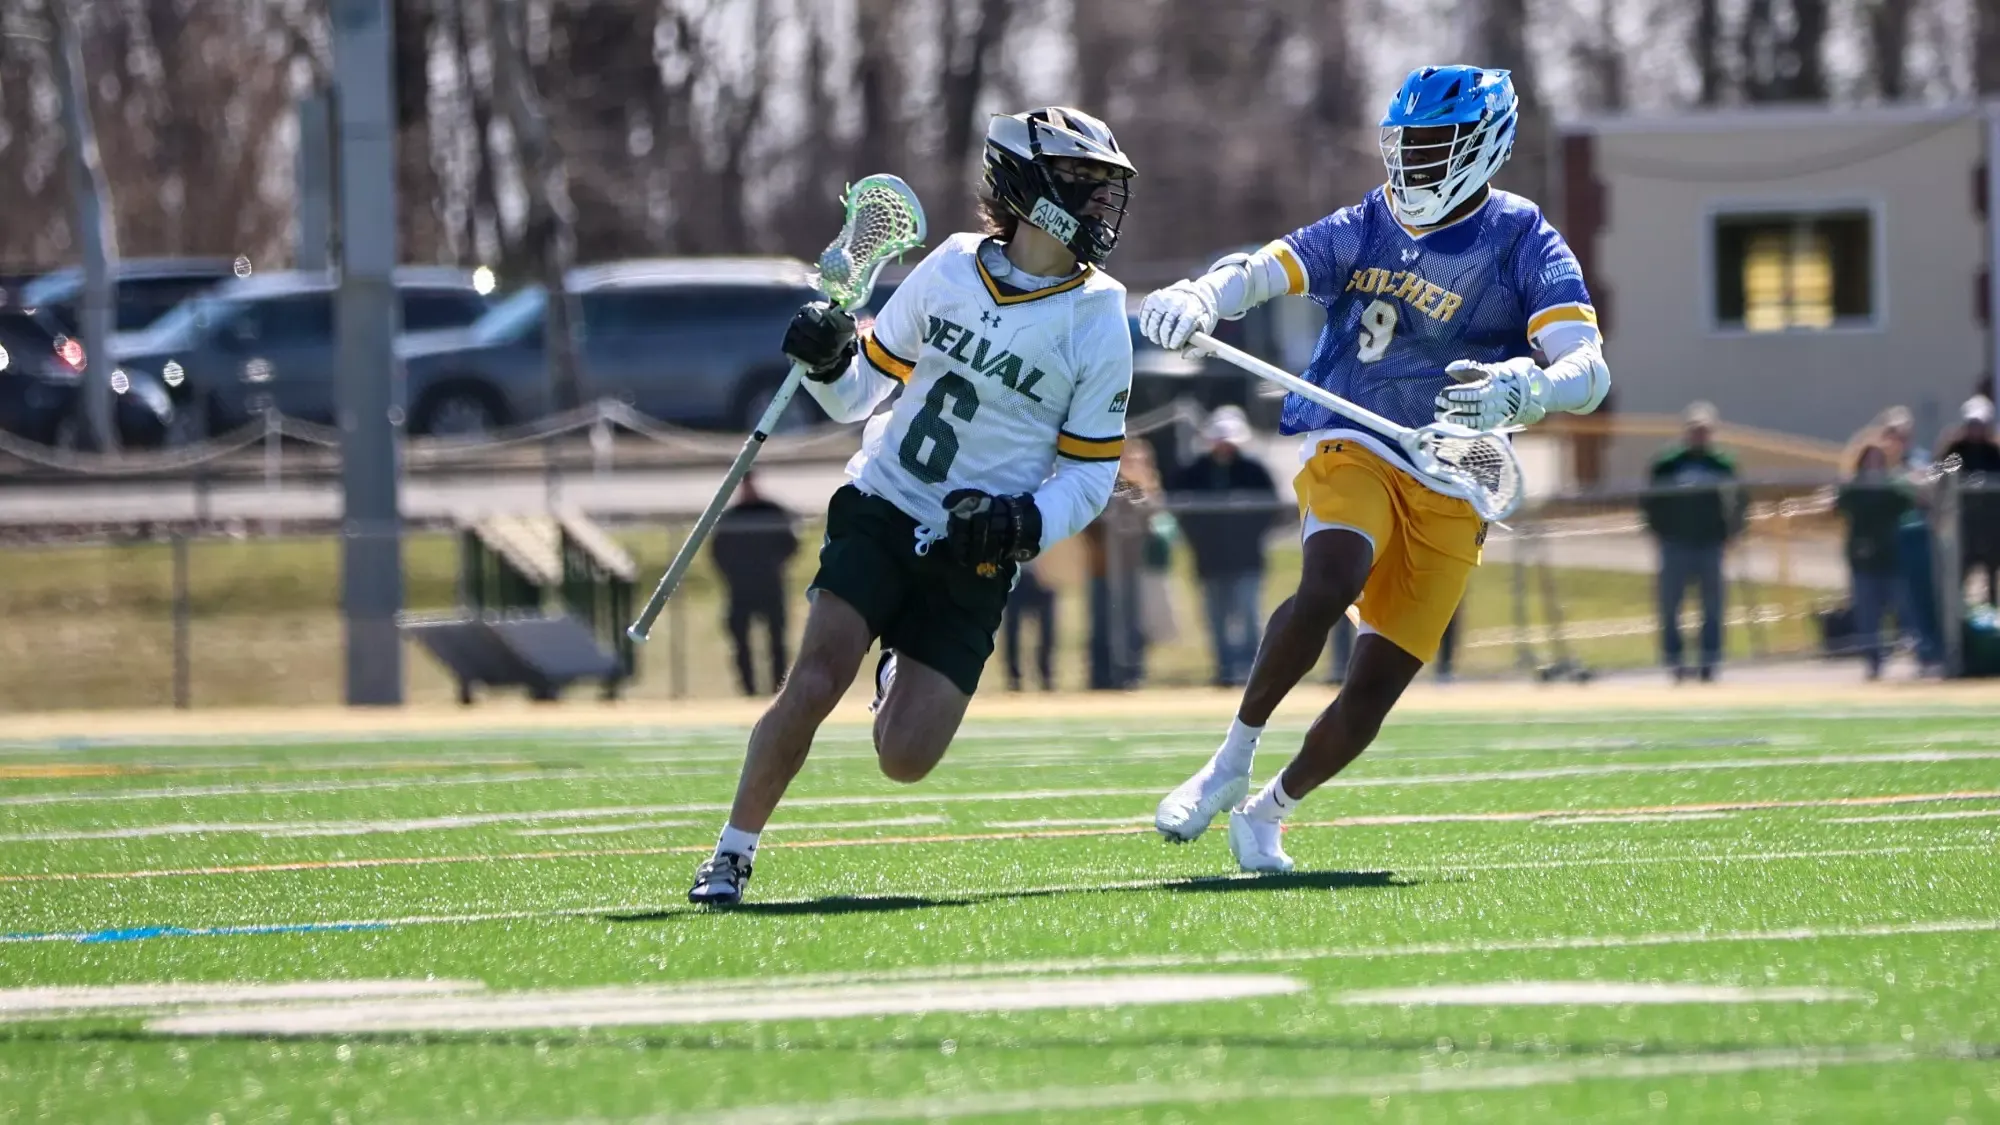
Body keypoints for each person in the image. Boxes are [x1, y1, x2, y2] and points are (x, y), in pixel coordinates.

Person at [1139, 65, 1611, 872]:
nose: (1411, 164)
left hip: (1453, 466)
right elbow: (1268, 267)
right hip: (1350, 431)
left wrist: (1524, 386)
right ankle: (1228, 762)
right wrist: (1207, 295)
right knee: (1331, 576)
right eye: (1404, 145)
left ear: (1484, 146)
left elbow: (1589, 369)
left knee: (1375, 685)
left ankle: (1268, 812)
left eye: (1432, 146)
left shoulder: (1523, 236)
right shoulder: (1367, 219)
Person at [688, 106, 1137, 905]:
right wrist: (828, 362)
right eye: (1081, 183)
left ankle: (897, 662)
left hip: (980, 543)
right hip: (887, 501)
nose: (1100, 204)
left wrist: (1024, 523)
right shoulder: (952, 267)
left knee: (905, 757)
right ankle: (731, 850)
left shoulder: (1100, 316)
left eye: (1107, 188)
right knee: (819, 675)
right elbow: (860, 390)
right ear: (1026, 183)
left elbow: (1092, 475)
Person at [1168, 405, 1279, 685]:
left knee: (1249, 615)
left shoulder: (1254, 471)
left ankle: (1254, 672)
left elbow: (1272, 510)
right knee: (1216, 619)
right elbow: (1180, 511)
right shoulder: (1194, 472)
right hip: (1209, 559)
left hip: (1247, 558)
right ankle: (1225, 671)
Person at [1640, 402, 1743, 683]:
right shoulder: (1667, 464)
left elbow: (1738, 503)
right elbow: (1650, 502)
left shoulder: (1722, 464)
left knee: (1712, 607)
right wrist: (1658, 531)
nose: (1700, 436)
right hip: (1676, 544)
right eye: (1695, 430)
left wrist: (1733, 532)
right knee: (1671, 606)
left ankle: (1710, 660)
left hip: (1710, 545)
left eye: (1705, 430)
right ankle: (1675, 661)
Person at [708, 472, 799, 696]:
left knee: (777, 641)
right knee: (741, 642)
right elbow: (717, 552)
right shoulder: (730, 517)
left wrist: (774, 564)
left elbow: (791, 544)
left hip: (770, 585)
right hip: (741, 588)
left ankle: (779, 687)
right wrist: (732, 574)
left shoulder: (773, 512)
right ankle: (749, 690)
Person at [1836, 442, 1916, 679]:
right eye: (1869, 461)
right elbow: (1841, 504)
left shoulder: (1892, 488)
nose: (1873, 466)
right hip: (1863, 561)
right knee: (1868, 614)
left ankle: (1916, 652)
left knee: (1903, 609)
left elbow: (1907, 500)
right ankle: (1873, 661)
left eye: (1878, 461)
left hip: (1891, 560)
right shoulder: (1853, 489)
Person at [1940, 394, 2000, 607]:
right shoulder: (1957, 451)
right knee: (1959, 575)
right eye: (1972, 423)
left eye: (1980, 424)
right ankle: (1956, 622)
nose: (1976, 428)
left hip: (1992, 527)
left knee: (1992, 578)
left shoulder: (1994, 452)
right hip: (1964, 525)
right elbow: (1937, 474)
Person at [1001, 561, 1056, 691]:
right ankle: (1013, 676)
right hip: (1014, 577)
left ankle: (1045, 672)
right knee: (1012, 626)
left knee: (1047, 627)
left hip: (1039, 576)